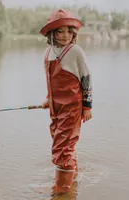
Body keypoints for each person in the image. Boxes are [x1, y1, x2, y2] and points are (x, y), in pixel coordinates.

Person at [40, 9, 93, 194]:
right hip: (56, 107)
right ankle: (74, 179)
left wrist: (87, 106)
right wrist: (48, 99)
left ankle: (62, 189)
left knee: (62, 147)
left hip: (72, 107)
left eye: (69, 31)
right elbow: (50, 80)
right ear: (51, 33)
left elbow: (86, 78)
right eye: (60, 31)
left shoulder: (75, 51)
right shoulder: (48, 53)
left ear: (74, 33)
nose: (65, 36)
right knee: (60, 140)